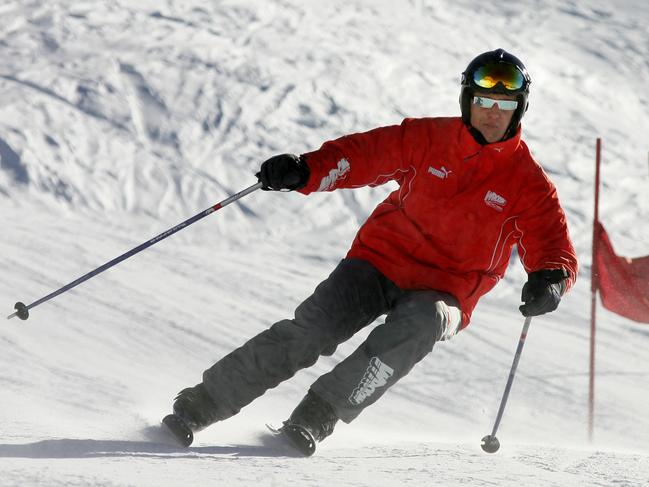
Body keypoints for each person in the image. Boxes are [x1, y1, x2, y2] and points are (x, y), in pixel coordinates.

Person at [167, 48, 579, 455]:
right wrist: (307, 168)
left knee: (422, 324)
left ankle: (317, 414)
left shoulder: (528, 183)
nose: (492, 113)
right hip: (379, 262)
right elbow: (363, 155)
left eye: (503, 105)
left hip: (446, 291)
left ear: (519, 110)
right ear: (467, 102)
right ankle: (201, 405)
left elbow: (553, 247)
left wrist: (552, 280)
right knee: (312, 329)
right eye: (483, 101)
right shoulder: (426, 138)